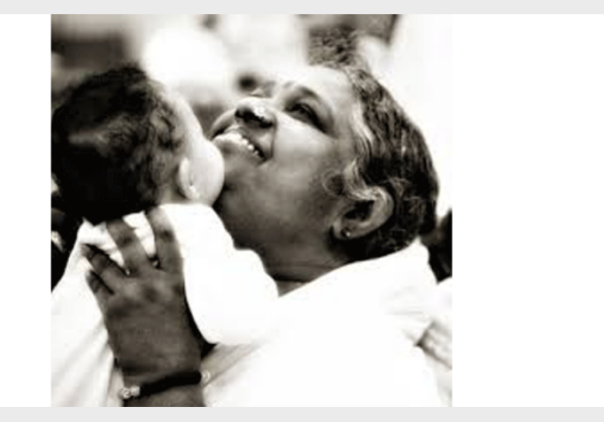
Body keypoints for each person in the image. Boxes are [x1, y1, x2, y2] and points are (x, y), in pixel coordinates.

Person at [81, 38, 444, 406]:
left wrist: (162, 378)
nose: (246, 107)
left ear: (358, 213)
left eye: (303, 111)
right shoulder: (147, 256)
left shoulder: (381, 378)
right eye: (257, 94)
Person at [50, 65, 278, 407]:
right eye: (202, 137)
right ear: (189, 181)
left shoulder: (90, 235)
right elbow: (242, 317)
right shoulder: (190, 227)